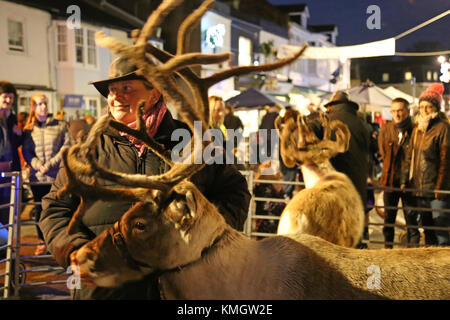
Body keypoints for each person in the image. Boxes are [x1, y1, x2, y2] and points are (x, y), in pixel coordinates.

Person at [39, 57, 251, 299]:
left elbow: (235, 192)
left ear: (155, 93)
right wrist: (74, 251)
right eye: (111, 90)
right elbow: (54, 209)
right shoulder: (88, 149)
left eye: (126, 88)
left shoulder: (193, 142)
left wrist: (205, 236)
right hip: (101, 289)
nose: (115, 97)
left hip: (178, 288)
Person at [22, 93, 72, 255]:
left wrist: (49, 165)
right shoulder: (29, 129)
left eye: (44, 103)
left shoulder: (60, 125)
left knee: (57, 211)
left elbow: (67, 146)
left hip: (56, 177)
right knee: (39, 211)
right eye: (38, 104)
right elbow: (26, 151)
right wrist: (38, 165)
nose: (42, 106)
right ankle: (41, 241)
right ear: (33, 107)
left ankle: (57, 243)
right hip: (37, 178)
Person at [323, 91, 371, 248]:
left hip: (337, 185)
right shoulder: (361, 124)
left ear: (332, 107)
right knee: (354, 231)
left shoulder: (329, 123)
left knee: (337, 231)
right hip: (358, 184)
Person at [409, 83, 450, 246]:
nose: (425, 110)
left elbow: (446, 162)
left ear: (436, 108)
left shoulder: (443, 128)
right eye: (422, 106)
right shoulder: (418, 129)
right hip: (420, 189)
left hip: (436, 189)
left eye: (429, 106)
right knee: (427, 231)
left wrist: (439, 190)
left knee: (442, 233)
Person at [378, 97, 419, 248]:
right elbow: (382, 151)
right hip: (390, 181)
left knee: (411, 221)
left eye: (400, 110)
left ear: (407, 111)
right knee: (389, 220)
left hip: (409, 183)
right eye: (394, 111)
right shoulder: (386, 129)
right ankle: (387, 251)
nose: (397, 114)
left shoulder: (415, 129)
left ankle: (412, 254)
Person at [0, 81, 23, 225]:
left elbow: (14, 145)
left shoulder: (12, 118)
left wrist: (18, 134)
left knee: (8, 209)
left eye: (11, 97)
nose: (8, 100)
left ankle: (5, 245)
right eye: (5, 96)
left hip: (10, 170)